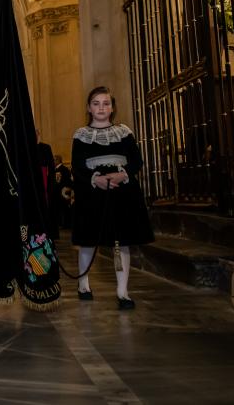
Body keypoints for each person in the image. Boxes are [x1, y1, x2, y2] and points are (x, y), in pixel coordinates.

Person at [71, 86, 154, 310]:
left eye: (106, 103)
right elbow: (77, 166)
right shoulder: (81, 135)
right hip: (92, 194)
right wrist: (95, 178)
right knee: (88, 241)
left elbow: (136, 161)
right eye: (96, 103)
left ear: (112, 107)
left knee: (122, 242)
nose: (101, 108)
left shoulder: (123, 132)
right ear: (89, 107)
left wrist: (122, 174)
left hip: (122, 192)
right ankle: (83, 283)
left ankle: (122, 291)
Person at [36, 129, 58, 239]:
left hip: (45, 181)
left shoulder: (45, 147)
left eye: (36, 133)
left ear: (38, 134)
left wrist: (51, 184)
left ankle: (47, 232)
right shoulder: (25, 147)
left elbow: (51, 168)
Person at [53, 154, 74, 230]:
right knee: (58, 208)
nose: (53, 161)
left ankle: (66, 224)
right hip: (56, 192)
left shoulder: (64, 169)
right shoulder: (54, 169)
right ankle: (60, 223)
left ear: (58, 160)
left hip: (63, 192)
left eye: (54, 159)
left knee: (64, 208)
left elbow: (67, 181)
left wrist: (64, 190)